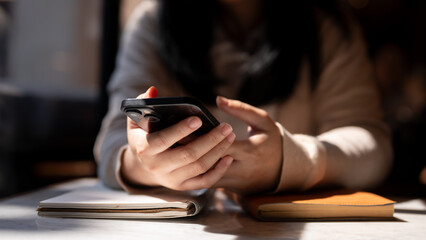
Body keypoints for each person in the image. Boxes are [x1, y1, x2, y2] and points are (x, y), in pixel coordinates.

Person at [94, 0, 393, 195]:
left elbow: (372, 144)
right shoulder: (152, 21)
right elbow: (112, 144)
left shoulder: (326, 26)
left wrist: (295, 161)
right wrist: (142, 163)